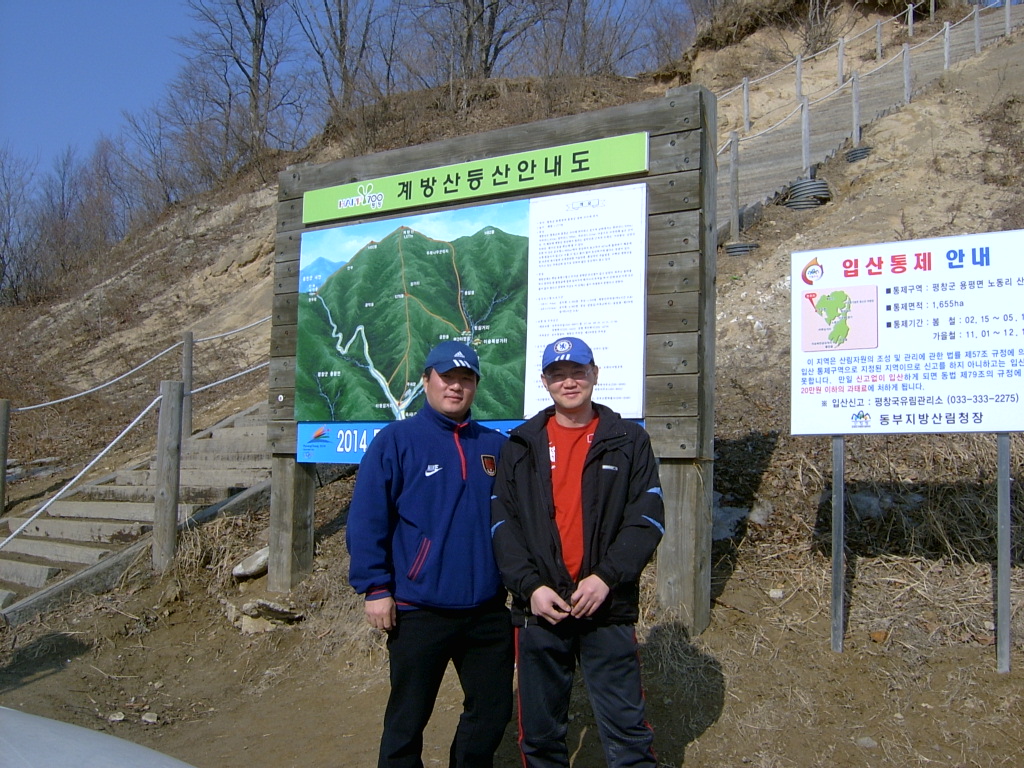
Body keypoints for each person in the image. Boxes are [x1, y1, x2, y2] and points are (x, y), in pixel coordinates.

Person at [490, 336, 665, 768]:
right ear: (544, 382)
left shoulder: (628, 439)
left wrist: (606, 577)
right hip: (539, 610)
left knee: (627, 731)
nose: (568, 382)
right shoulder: (520, 444)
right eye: (558, 374)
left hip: (607, 606)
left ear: (595, 375)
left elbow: (647, 519)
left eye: (578, 372)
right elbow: (502, 526)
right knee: (540, 734)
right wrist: (530, 587)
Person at [346, 340, 513, 768]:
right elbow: (367, 518)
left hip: (487, 610)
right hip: (419, 609)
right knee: (407, 719)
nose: (456, 386)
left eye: (466, 379)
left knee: (492, 713)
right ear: (426, 381)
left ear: (475, 386)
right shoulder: (396, 441)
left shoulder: (494, 445)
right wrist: (375, 588)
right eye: (446, 377)